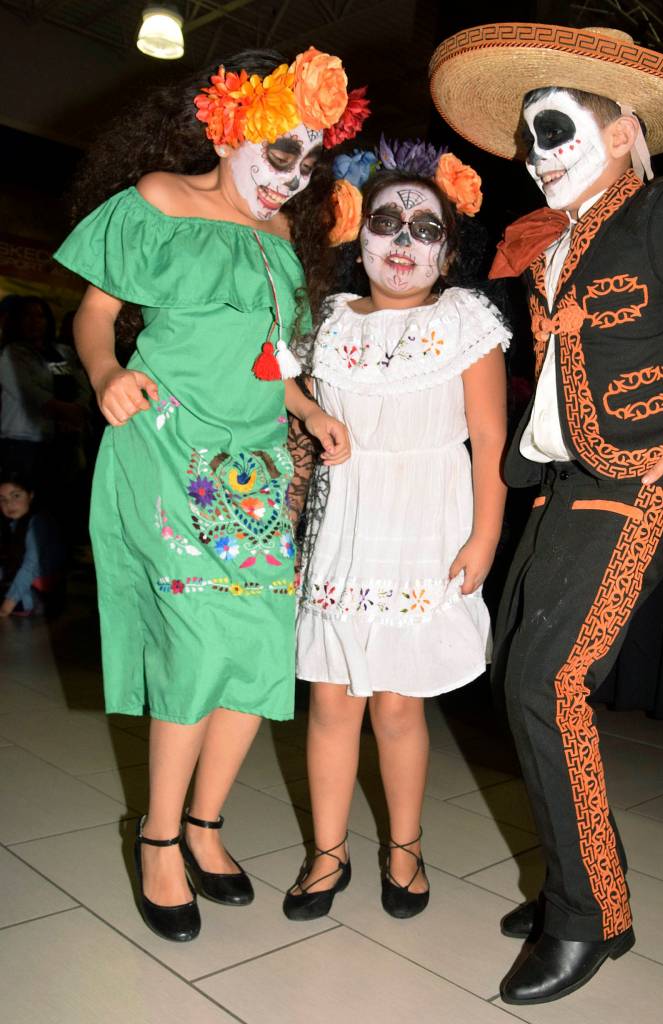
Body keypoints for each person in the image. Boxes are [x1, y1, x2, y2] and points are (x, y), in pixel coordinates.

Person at [429, 24, 663, 1004]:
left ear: (622, 129)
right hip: (557, 477)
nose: (537, 151)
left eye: (556, 129)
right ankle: (579, 879)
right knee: (518, 672)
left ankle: (584, 915)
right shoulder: (558, 239)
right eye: (527, 135)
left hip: (636, 477)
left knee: (548, 685)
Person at [53, 47, 369, 943]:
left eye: (309, 163)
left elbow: (278, 362)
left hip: (255, 464)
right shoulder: (159, 199)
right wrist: (107, 370)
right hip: (164, 442)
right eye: (280, 155)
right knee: (195, 643)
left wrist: (310, 410)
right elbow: (94, 313)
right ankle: (157, 839)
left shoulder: (281, 244)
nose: (293, 180)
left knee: (258, 644)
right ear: (231, 126)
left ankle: (205, 826)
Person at [282, 139, 510, 921]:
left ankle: (404, 849)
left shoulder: (466, 321)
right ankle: (327, 854)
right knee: (332, 702)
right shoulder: (331, 322)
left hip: (425, 528)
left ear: (449, 252)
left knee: (398, 707)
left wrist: (485, 537)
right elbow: (289, 399)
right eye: (387, 223)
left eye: (425, 229)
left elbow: (489, 442)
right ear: (357, 237)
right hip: (346, 525)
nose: (404, 243)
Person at [0, 295, 89, 496]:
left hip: (64, 441)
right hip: (23, 443)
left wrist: (80, 408)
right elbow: (29, 393)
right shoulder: (12, 353)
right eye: (27, 316)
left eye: (40, 316)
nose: (34, 321)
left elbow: (83, 385)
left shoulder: (64, 352)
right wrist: (70, 411)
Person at [0, 470, 65, 617]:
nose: (9, 504)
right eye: (2, 499)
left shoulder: (39, 523)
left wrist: (5, 608)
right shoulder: (16, 524)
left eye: (16, 495)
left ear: (31, 495)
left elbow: (30, 567)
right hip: (29, 589)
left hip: (42, 595)